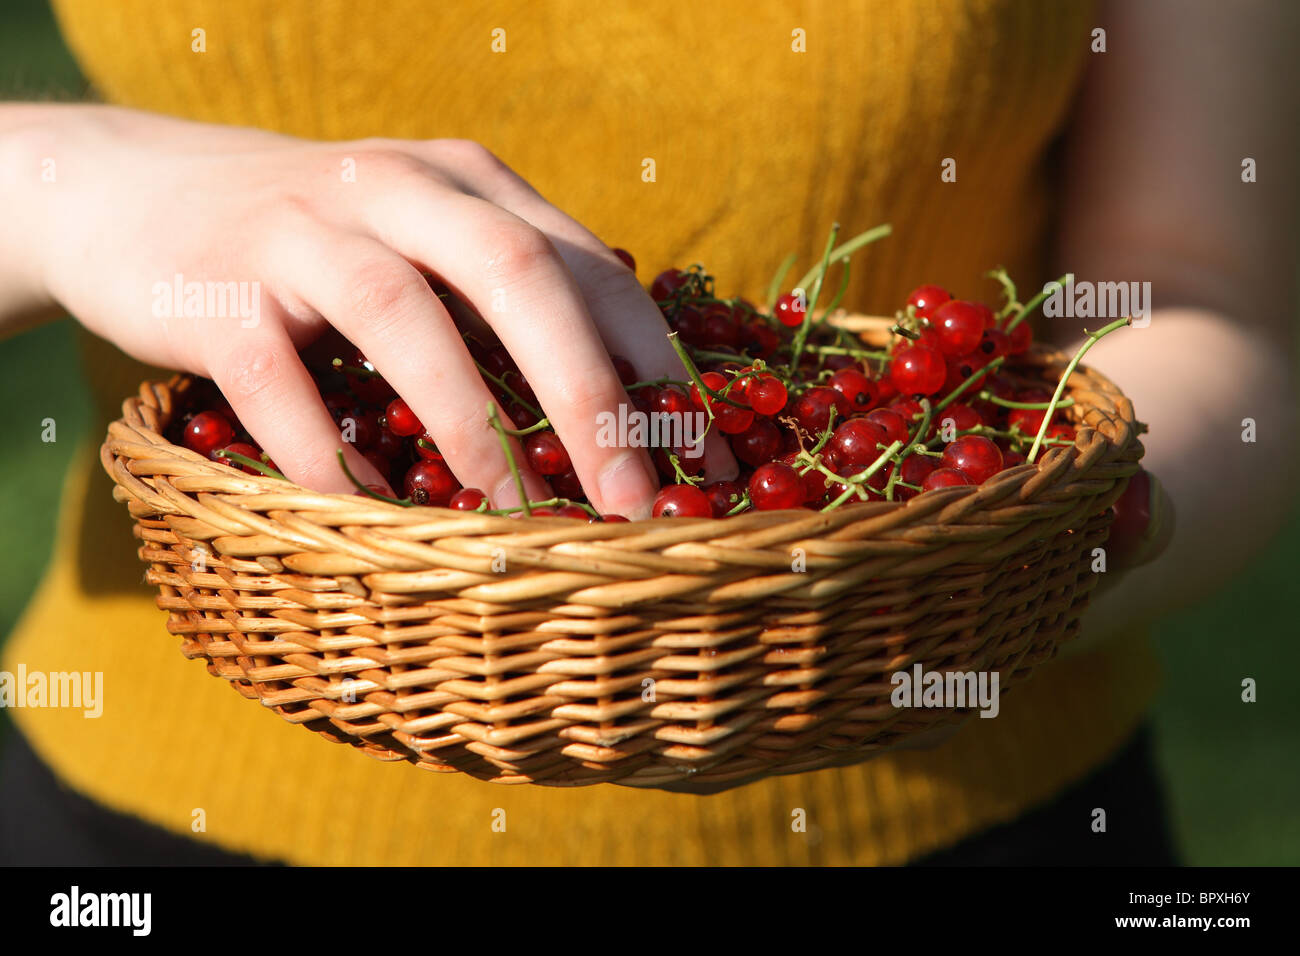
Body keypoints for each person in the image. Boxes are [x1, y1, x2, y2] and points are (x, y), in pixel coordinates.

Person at [0, 0, 1294, 865]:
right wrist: (73, 178)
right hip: (154, 821)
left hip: (959, 810)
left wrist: (1037, 543)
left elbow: (1201, 296)